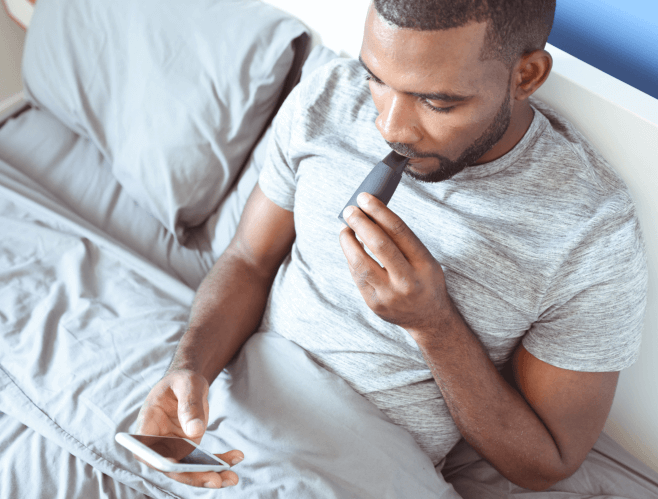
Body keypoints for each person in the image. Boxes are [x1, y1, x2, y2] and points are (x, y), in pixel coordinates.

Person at [135, 0, 648, 492]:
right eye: (377, 79)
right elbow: (249, 259)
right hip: (240, 407)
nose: (390, 127)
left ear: (526, 76)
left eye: (436, 101)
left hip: (365, 463)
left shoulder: (587, 232)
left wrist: (434, 325)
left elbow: (547, 463)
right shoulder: (327, 98)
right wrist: (190, 368)